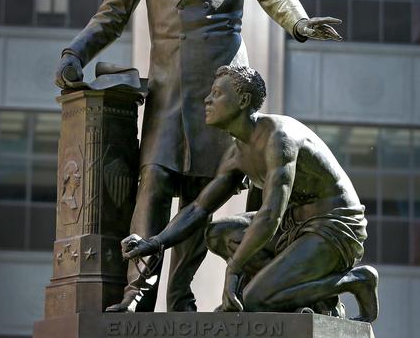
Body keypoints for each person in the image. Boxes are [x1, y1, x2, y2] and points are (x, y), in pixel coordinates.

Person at [55, 0, 342, 313]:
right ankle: (136, 293)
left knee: (202, 194)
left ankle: (180, 296)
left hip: (223, 96)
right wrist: (76, 52)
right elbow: (110, 17)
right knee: (153, 187)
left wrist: (300, 23)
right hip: (169, 97)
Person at [122, 66, 379, 321]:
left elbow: (270, 215)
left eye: (217, 94)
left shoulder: (279, 138)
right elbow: (200, 208)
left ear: (243, 100)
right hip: (292, 225)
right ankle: (285, 289)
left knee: (256, 299)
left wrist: (234, 270)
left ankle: (356, 281)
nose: (207, 100)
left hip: (333, 227)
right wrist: (156, 242)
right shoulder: (236, 154)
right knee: (216, 233)